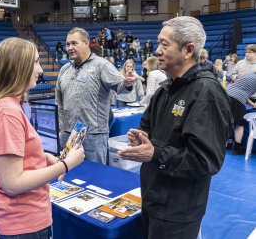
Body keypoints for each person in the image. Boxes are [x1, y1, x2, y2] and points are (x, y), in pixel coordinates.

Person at [119, 16, 232, 239]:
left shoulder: (206, 93)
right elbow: (148, 130)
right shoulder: (165, 89)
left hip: (178, 210)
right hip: (153, 198)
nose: (157, 50)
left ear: (188, 50)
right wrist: (140, 139)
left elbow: (205, 161)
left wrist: (155, 152)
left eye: (164, 44)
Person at [0, 37, 85, 237]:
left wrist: (42, 158)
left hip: (18, 219)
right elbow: (12, 183)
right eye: (35, 62)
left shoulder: (6, 106)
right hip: (23, 222)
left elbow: (13, 158)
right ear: (19, 67)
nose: (41, 70)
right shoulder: (6, 113)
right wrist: (65, 165)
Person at [56, 27, 136, 164]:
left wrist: (128, 83)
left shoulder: (102, 65)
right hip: (67, 134)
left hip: (93, 135)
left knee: (95, 176)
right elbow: (59, 102)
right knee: (68, 176)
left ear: (86, 43)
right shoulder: (64, 69)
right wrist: (62, 128)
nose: (69, 47)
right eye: (68, 44)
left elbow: (120, 87)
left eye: (74, 43)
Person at [226, 72, 256, 155]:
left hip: (225, 95)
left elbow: (242, 90)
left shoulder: (248, 74)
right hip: (237, 100)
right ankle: (237, 148)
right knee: (239, 125)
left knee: (222, 121)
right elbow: (241, 93)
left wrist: (251, 103)